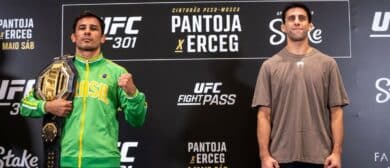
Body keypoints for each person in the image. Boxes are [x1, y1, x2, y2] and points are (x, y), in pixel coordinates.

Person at [20, 11, 147, 167]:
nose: (87, 31)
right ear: (73, 37)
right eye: (82, 28)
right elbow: (25, 106)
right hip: (64, 159)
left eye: (93, 28)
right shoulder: (57, 70)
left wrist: (133, 94)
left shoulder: (117, 72)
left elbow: (137, 120)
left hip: (104, 162)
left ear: (103, 37)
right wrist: (47, 106)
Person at [252, 3, 349, 168]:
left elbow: (336, 113)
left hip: (321, 158)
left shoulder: (328, 64)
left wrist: (337, 153)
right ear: (283, 27)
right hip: (280, 159)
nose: (296, 22)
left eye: (302, 18)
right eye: (291, 18)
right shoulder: (269, 66)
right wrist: (264, 156)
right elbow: (263, 115)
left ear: (310, 25)